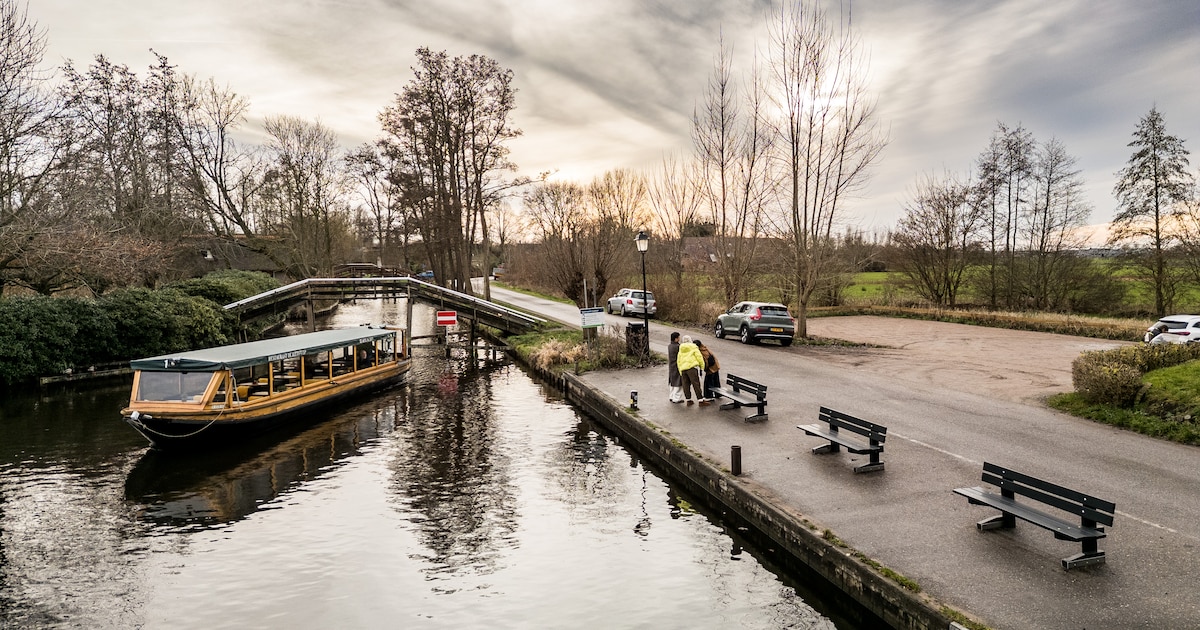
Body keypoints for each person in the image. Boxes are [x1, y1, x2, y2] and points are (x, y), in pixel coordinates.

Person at [676, 335, 706, 406]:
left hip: (683, 369)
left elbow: (678, 360)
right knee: (696, 384)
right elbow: (699, 357)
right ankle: (700, 400)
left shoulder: (681, 348)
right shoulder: (693, 347)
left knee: (685, 385)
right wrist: (702, 367)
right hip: (692, 368)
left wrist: (680, 370)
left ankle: (688, 400)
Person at [667, 332, 684, 403]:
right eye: (678, 337)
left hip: (671, 366)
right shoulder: (678, 347)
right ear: (676, 338)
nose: (679, 339)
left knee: (672, 382)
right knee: (678, 383)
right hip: (677, 366)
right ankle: (676, 398)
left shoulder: (670, 346)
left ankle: (671, 396)